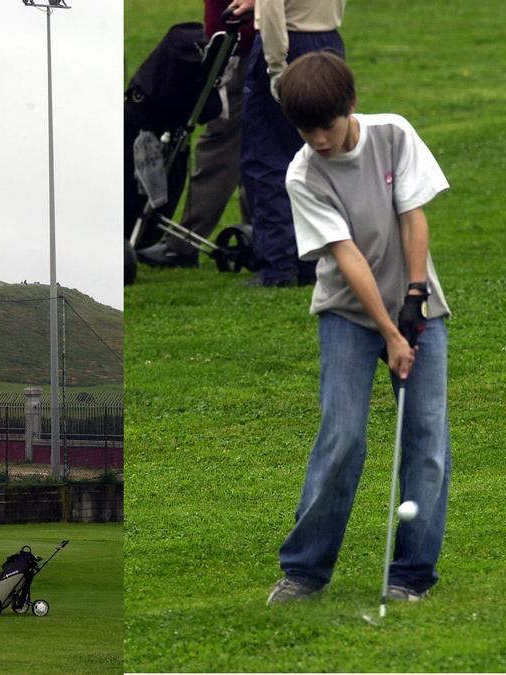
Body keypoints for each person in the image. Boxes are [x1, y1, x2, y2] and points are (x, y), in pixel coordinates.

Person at [265, 52, 451, 605]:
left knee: (426, 439)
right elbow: (347, 256)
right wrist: (390, 332)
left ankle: (411, 575)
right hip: (347, 313)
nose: (319, 139)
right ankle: (305, 571)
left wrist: (414, 298)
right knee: (343, 436)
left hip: (419, 307)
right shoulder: (303, 173)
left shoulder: (393, 134)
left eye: (326, 125)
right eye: (306, 130)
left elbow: (413, 216)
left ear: (351, 105)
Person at [137, 0, 256, 268]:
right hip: (242, 46)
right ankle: (265, 238)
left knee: (219, 149)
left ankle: (183, 244)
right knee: (256, 148)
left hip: (240, 49)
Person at [240, 0, 345, 286]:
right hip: (328, 41)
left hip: (289, 42)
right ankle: (315, 259)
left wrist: (275, 67)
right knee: (321, 154)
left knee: (268, 156)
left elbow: (273, 7)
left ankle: (279, 266)